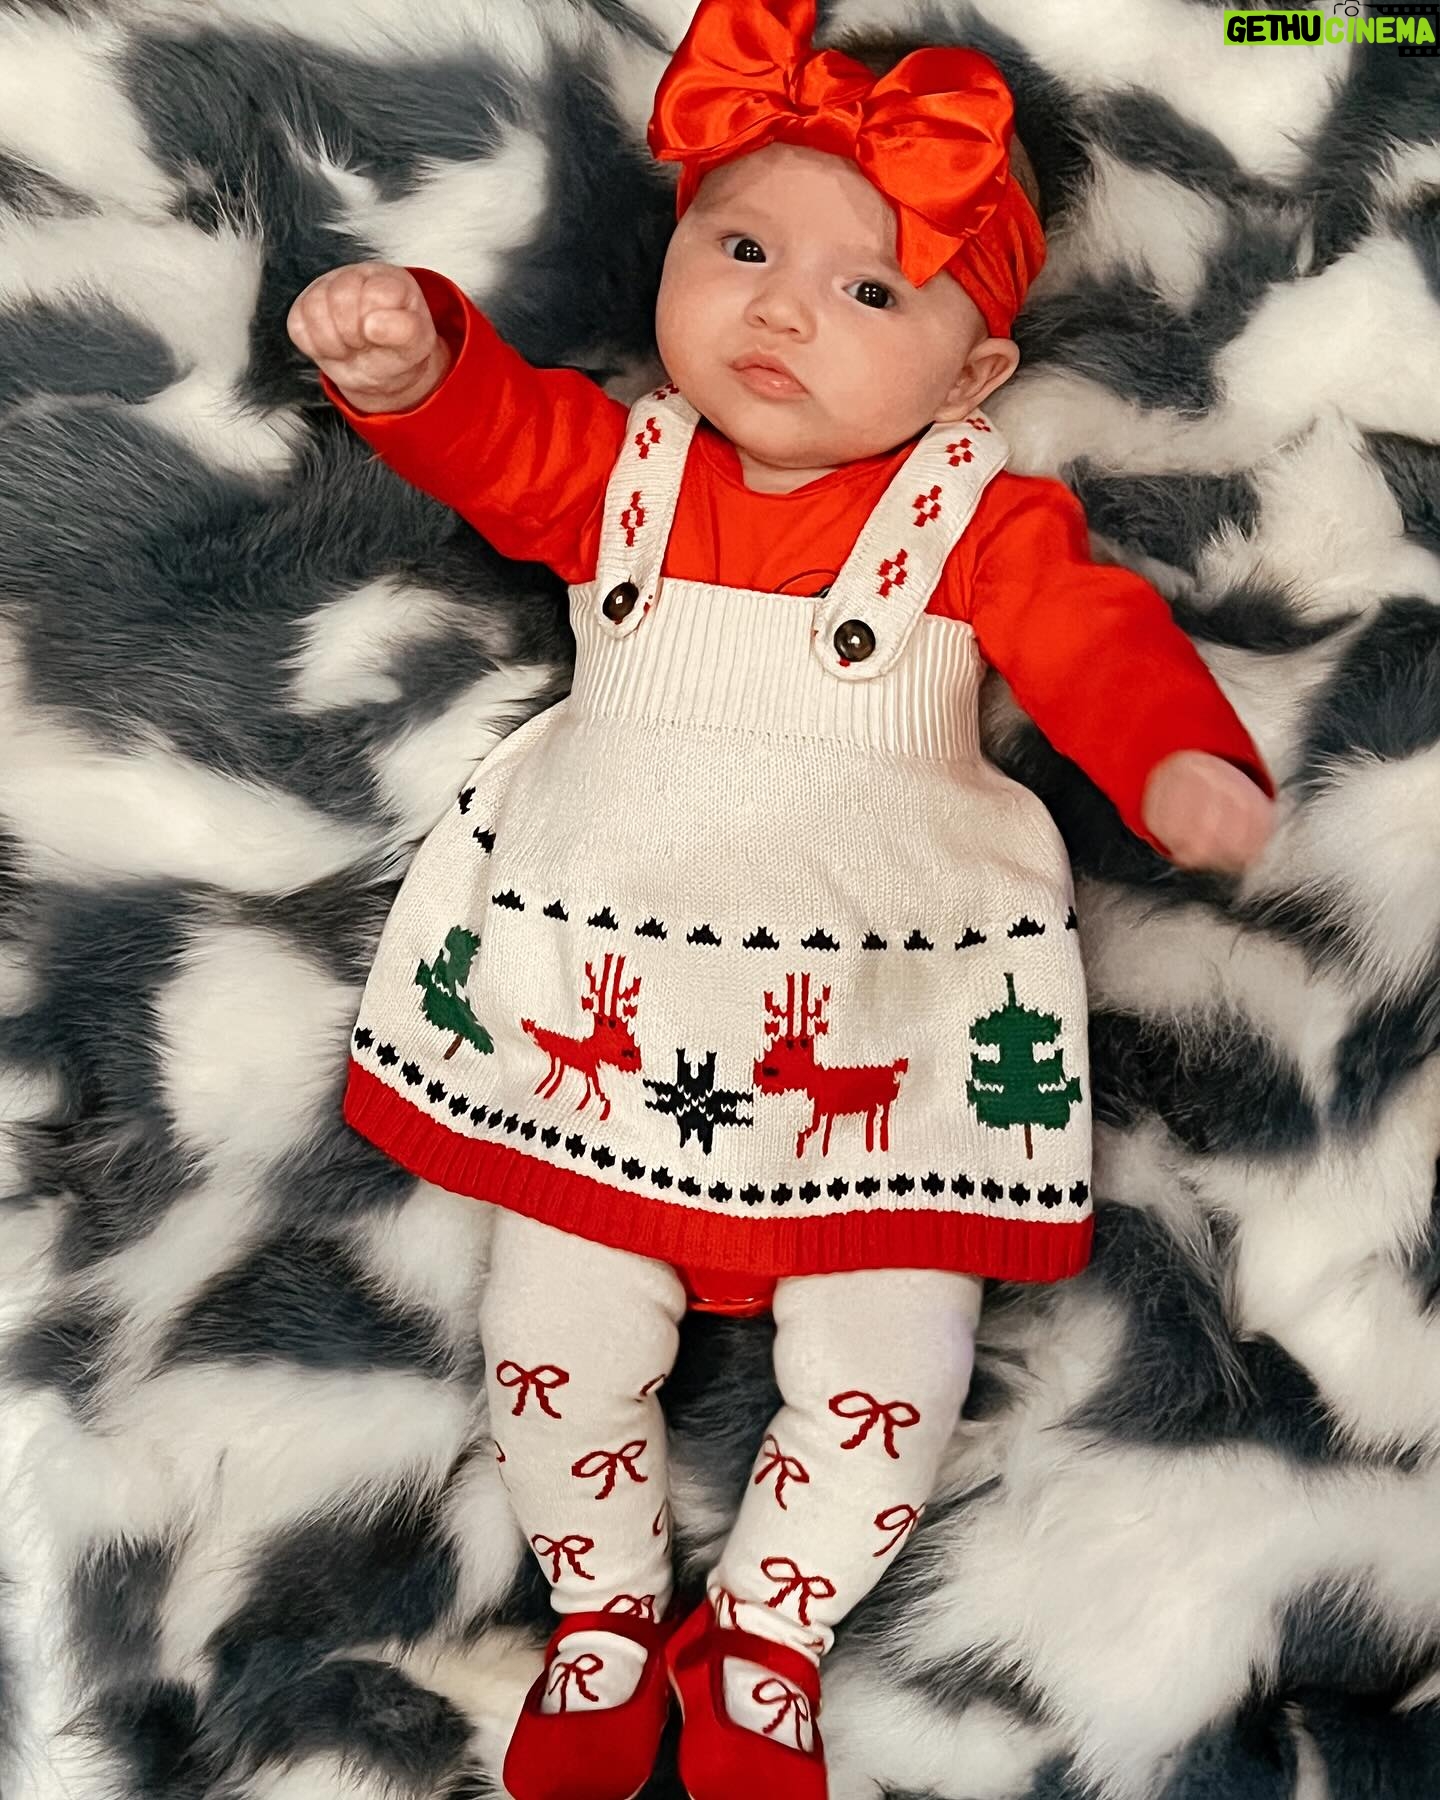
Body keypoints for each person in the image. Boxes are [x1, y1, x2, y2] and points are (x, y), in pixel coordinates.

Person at [287, 3, 1275, 1795]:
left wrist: (1171, 755)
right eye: (741, 249)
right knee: (551, 1341)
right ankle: (603, 1614)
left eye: (868, 290)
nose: (782, 311)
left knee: (895, 1366)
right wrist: (414, 362)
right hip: (605, 1041)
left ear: (971, 378)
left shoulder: (973, 521)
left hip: (879, 1039)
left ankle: (768, 1630)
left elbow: (1091, 636)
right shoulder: (628, 470)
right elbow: (498, 441)